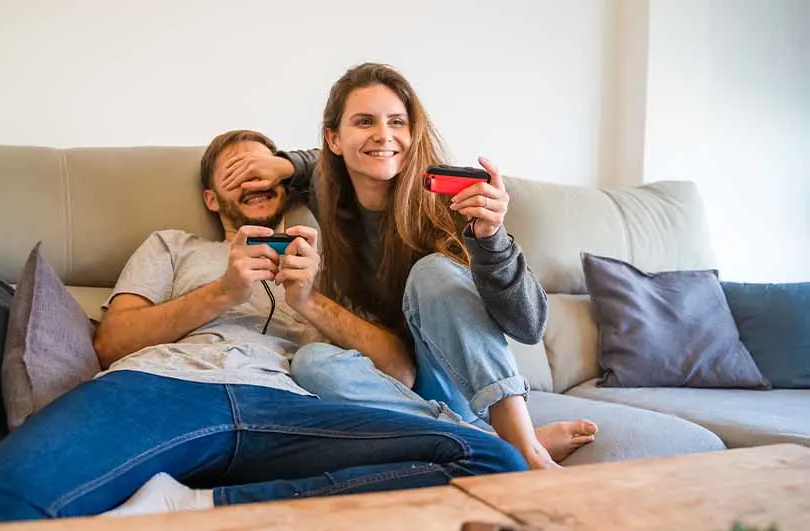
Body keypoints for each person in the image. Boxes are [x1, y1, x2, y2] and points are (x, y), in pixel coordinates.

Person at [0, 130, 528, 525]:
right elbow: (111, 343)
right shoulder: (173, 246)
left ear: (284, 184)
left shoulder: (326, 259)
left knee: (495, 463)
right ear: (211, 196)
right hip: (163, 389)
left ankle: (197, 507)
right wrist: (223, 291)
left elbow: (398, 370)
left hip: (294, 406)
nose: (252, 177)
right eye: (234, 170)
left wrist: (310, 300)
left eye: (262, 167)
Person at [219, 63, 597, 469]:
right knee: (313, 362)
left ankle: (524, 449)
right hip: (397, 389)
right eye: (364, 121)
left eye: (397, 122)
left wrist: (493, 239)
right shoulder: (328, 194)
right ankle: (486, 442)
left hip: (461, 381)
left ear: (412, 133)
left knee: (432, 272)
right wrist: (286, 164)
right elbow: (316, 164)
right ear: (334, 139)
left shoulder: (451, 203)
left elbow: (530, 326)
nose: (383, 135)